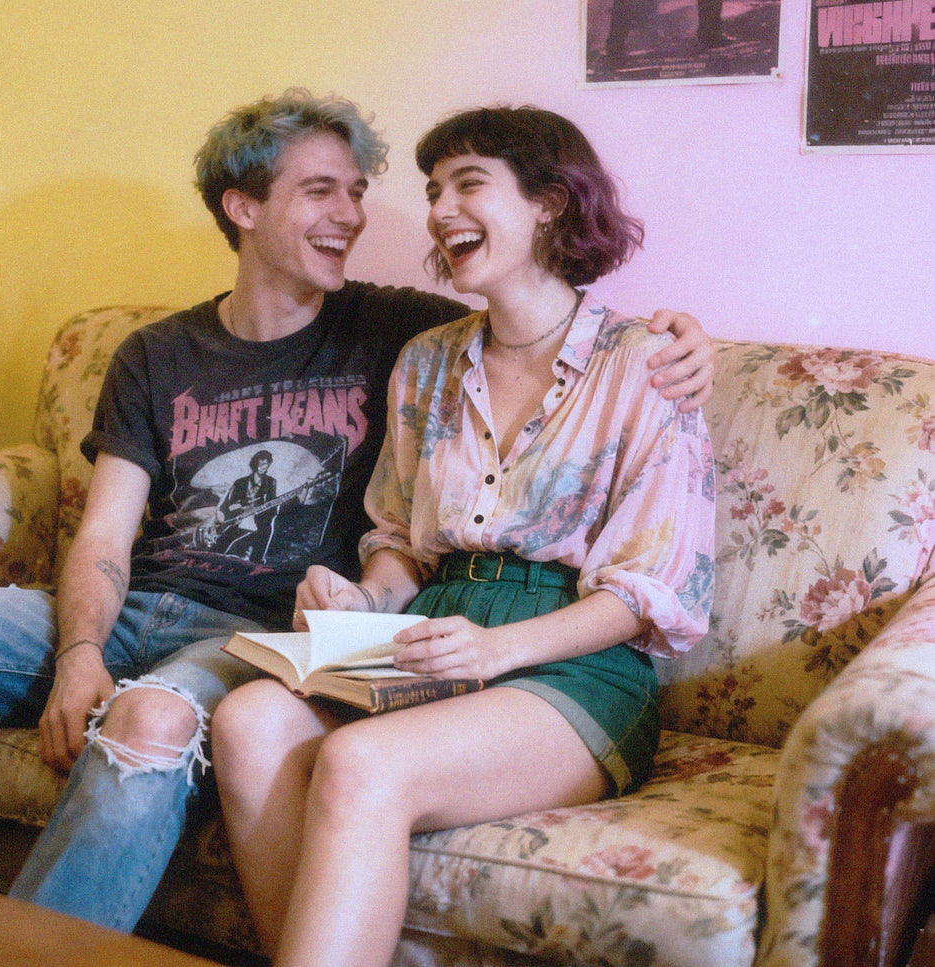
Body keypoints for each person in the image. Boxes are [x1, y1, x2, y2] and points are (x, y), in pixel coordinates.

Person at [0, 90, 713, 934]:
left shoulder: (396, 330)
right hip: (159, 607)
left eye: (361, 191)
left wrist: (686, 341)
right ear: (243, 207)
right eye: (321, 189)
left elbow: (551, 320)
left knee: (162, 719)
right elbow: (109, 534)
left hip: (258, 633)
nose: (360, 215)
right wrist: (79, 655)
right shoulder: (181, 352)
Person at [210, 104, 717, 967]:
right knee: (249, 719)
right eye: (434, 189)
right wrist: (363, 597)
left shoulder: (645, 362)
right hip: (434, 633)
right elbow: (402, 536)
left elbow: (644, 595)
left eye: (469, 184)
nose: (441, 210)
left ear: (551, 202)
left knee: (363, 763)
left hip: (573, 663)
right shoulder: (429, 360)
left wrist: (496, 649)